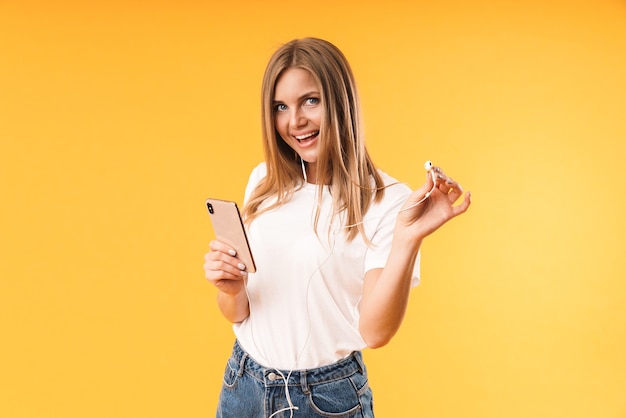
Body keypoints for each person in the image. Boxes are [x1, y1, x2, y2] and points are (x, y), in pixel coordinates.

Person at [204, 37, 471, 418]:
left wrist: (408, 237)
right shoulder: (264, 183)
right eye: (281, 107)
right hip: (243, 385)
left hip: (326, 401)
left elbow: (376, 332)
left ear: (341, 100)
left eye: (310, 101)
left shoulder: (388, 201)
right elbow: (237, 312)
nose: (295, 121)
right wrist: (230, 288)